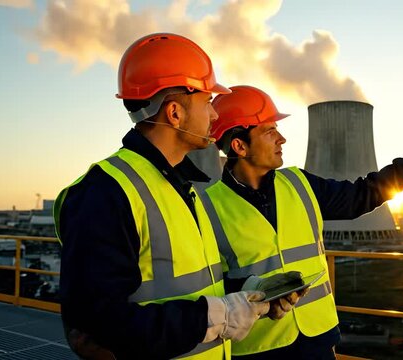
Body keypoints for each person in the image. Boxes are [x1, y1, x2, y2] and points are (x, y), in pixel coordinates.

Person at [200, 85, 403, 359]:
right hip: (259, 348)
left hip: (317, 340)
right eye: (269, 131)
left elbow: (365, 192)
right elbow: (203, 285)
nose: (281, 138)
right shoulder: (207, 207)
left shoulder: (299, 184)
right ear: (239, 145)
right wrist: (251, 293)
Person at [53, 34, 271, 360]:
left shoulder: (178, 185)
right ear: (174, 113)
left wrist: (245, 293)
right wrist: (216, 317)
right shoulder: (106, 193)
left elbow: (187, 285)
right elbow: (97, 326)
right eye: (208, 101)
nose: (215, 115)